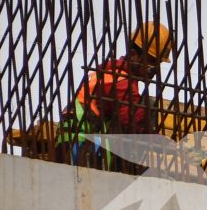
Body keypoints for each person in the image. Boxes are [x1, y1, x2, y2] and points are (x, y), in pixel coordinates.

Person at [54, 22, 175, 172]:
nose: (154, 70)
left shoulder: (109, 71)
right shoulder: (123, 83)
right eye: (150, 62)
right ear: (134, 55)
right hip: (85, 147)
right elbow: (133, 122)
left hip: (71, 142)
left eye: (157, 64)